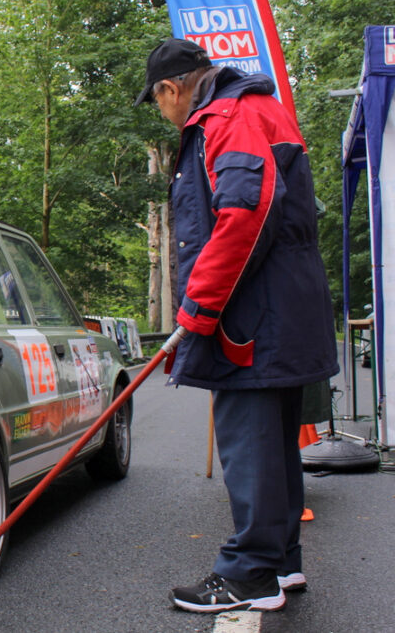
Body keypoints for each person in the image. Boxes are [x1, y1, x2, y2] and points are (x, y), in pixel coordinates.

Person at [134, 39, 338, 613]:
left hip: (253, 315)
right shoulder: (258, 110)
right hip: (280, 309)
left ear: (172, 89)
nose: (162, 113)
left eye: (157, 102)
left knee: (249, 444)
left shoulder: (228, 116)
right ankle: (280, 564)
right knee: (274, 446)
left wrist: (199, 305)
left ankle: (248, 574)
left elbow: (244, 215)